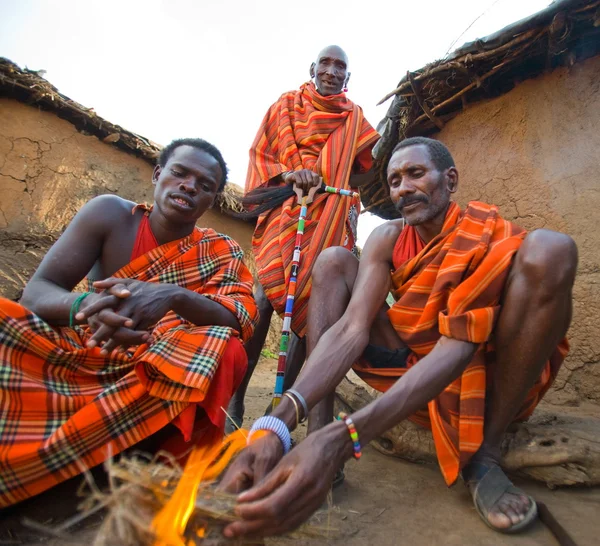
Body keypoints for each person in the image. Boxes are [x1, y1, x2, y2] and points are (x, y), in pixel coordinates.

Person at [219, 137, 577, 538]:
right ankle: (315, 435)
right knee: (334, 259)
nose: (403, 187)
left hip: (489, 384)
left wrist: (347, 436)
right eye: (393, 181)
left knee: (551, 247)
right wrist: (275, 424)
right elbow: (353, 328)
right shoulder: (389, 238)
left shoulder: (486, 234)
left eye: (415, 174)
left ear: (451, 179)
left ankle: (485, 456)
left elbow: (459, 345)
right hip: (413, 373)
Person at [0, 138, 258, 508]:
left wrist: (174, 296)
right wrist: (86, 304)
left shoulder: (221, 251)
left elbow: (241, 316)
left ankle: (160, 461)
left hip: (155, 367)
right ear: (157, 174)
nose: (189, 186)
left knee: (226, 347)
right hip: (90, 347)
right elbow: (36, 293)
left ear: (212, 201)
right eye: (180, 173)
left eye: (205, 186)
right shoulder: (109, 215)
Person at [227, 45, 380, 430]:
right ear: (312, 68)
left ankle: (277, 416)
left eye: (340, 66)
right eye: (325, 63)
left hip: (329, 214)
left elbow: (364, 171)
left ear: (348, 77)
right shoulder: (284, 107)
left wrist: (331, 179)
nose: (331, 70)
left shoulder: (356, 118)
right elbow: (261, 153)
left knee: (311, 311)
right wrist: (291, 174)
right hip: (286, 209)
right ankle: (235, 400)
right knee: (264, 297)